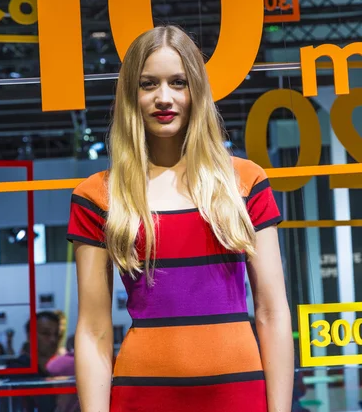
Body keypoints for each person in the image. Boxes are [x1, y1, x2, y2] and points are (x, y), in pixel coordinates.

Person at [68, 25, 294, 412]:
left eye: (178, 82)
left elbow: (272, 312)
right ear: (130, 95)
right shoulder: (98, 196)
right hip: (142, 396)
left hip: (238, 395)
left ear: (197, 92)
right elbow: (93, 330)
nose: (164, 98)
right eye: (148, 84)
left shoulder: (245, 182)